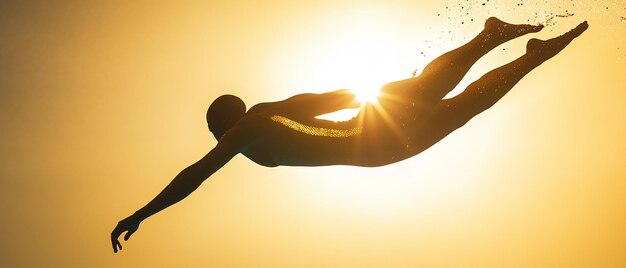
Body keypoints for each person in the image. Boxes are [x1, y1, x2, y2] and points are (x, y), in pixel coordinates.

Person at [111, 17, 588, 252]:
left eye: (221, 129)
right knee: (461, 105)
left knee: (448, 97)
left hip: (376, 140)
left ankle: (498, 41)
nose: (222, 138)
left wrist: (142, 213)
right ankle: (529, 53)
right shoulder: (261, 116)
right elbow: (323, 99)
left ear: (222, 125)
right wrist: (382, 93)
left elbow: (194, 175)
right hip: (374, 136)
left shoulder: (244, 130)